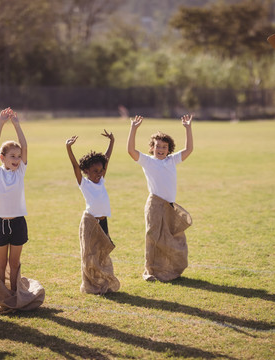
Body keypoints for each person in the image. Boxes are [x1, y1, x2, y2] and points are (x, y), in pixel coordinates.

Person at [0, 107, 44, 314]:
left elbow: (25, 146)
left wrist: (17, 125)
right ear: (2, 158)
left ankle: (14, 296)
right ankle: (0, 299)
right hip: (0, 223)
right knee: (1, 263)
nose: (17, 158)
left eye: (19, 156)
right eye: (12, 155)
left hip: (18, 222)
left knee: (14, 262)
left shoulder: (20, 172)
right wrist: (1, 123)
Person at [127, 114, 194, 281]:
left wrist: (188, 128)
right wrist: (133, 128)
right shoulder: (148, 161)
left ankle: (170, 270)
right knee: (153, 238)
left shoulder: (172, 160)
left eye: (164, 147)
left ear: (168, 149)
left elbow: (189, 150)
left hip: (170, 206)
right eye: (157, 146)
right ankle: (149, 272)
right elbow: (131, 151)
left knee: (173, 238)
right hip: (155, 205)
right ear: (152, 147)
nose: (161, 149)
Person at [65, 130, 120, 294]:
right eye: (95, 171)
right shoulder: (84, 183)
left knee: (102, 253)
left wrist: (112, 141)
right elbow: (75, 166)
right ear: (86, 171)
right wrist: (68, 148)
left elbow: (106, 159)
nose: (99, 173)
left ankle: (103, 282)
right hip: (91, 223)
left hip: (103, 222)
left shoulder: (101, 180)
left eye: (101, 170)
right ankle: (91, 285)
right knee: (91, 256)